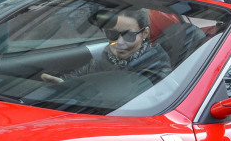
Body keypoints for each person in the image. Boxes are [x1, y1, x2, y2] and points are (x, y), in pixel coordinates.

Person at [43, 7, 171, 85]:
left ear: (145, 33)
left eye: (128, 35)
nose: (119, 42)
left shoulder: (156, 64)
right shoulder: (103, 60)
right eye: (112, 33)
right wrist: (63, 85)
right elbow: (74, 80)